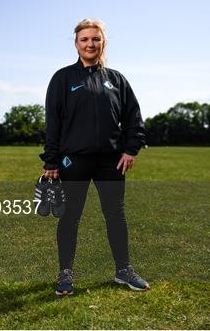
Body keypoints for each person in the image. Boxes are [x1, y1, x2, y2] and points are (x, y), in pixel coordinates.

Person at [39, 18, 149, 296]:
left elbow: (133, 117)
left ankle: (123, 270)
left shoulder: (117, 80)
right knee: (70, 216)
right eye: (85, 39)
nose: (90, 44)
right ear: (76, 44)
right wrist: (51, 161)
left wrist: (131, 149)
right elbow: (53, 122)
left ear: (103, 43)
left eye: (95, 39)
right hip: (73, 160)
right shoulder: (63, 78)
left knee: (116, 215)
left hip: (110, 162)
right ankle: (65, 273)